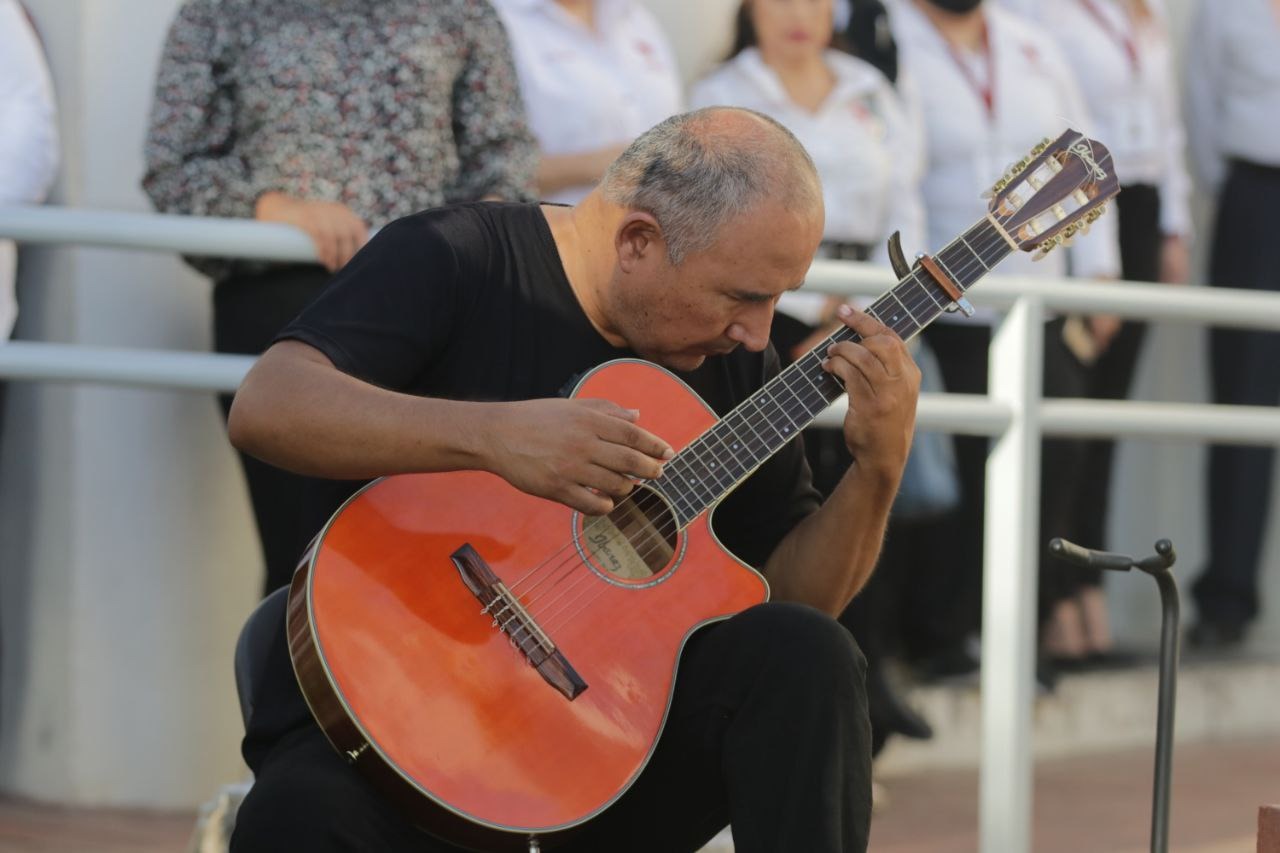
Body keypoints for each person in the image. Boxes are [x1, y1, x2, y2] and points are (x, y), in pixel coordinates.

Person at [225, 107, 921, 853]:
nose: (759, 331)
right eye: (742, 296)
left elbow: (791, 603)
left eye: (779, 298)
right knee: (294, 818)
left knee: (808, 653)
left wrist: (877, 471)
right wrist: (492, 437)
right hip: (383, 725)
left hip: (596, 760)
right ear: (638, 241)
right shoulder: (456, 255)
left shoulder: (733, 361)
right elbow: (269, 403)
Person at [142, 0, 538, 595]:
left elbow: (503, 156)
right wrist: (272, 208)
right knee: (307, 555)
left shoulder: (458, 11)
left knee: (428, 560)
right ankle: (297, 685)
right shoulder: (222, 10)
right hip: (285, 301)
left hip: (431, 301)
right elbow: (172, 167)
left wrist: (470, 235)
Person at [690, 0, 933, 750]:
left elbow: (907, 204)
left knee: (871, 481)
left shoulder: (872, 87)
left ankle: (875, 673)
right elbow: (708, 217)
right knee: (788, 496)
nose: (799, 14)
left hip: (868, 304)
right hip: (768, 306)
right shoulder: (722, 92)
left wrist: (870, 312)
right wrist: (798, 302)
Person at [885, 0, 1122, 685]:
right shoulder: (889, 33)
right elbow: (898, 172)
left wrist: (1100, 273)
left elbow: (1082, 151)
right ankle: (942, 638)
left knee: (1051, 463)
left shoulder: (1032, 42)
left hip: (1034, 297)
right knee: (952, 471)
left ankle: (1018, 636)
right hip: (938, 300)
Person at [1006, 0, 1193, 667]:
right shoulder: (1034, 12)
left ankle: (1091, 594)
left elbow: (1165, 125)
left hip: (1134, 212)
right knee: (1065, 421)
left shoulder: (1147, 10)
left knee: (1103, 420)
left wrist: (1174, 224)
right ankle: (1056, 599)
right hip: (1079, 212)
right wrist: (1096, 263)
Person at [1183, 0, 1280, 649]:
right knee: (1244, 400)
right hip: (1256, 201)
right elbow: (1200, 107)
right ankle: (1228, 598)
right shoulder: (1224, 6)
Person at [492, 0, 684, 204]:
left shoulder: (634, 16)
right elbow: (485, 170)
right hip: (555, 227)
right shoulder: (496, 19)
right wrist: (613, 163)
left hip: (663, 225)